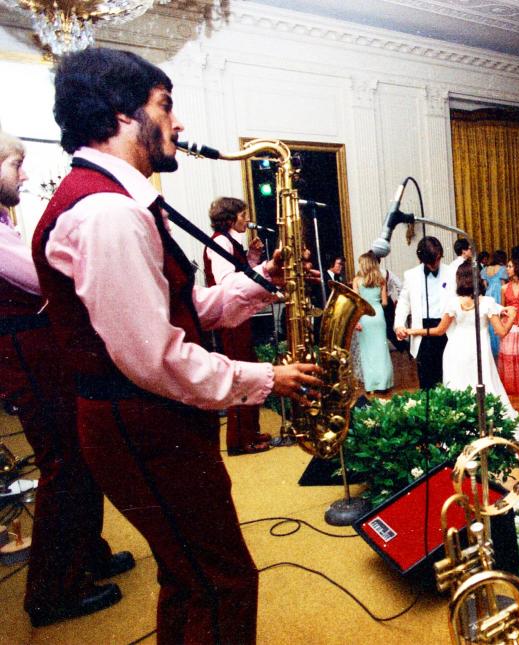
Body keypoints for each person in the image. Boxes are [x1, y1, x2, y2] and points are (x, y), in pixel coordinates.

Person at [32, 48, 322, 644]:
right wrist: (266, 378)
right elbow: (154, 356)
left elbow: (179, 314)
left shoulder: (114, 201)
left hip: (143, 420)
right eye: (166, 106)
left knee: (189, 577)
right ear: (121, 115)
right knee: (224, 582)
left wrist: (258, 287)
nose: (178, 123)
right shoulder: (108, 213)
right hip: (144, 424)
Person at [0, 130, 134, 627]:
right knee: (64, 466)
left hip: (42, 360)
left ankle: (86, 556)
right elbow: (44, 277)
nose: (25, 174)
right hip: (30, 363)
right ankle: (53, 593)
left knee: (80, 458)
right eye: (16, 164)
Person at [403, 263, 519, 459]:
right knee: (488, 391)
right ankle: (492, 438)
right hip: (478, 352)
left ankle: (459, 442)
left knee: (458, 392)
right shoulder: (487, 302)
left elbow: (439, 331)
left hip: (455, 352)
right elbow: (501, 332)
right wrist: (511, 316)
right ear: (478, 280)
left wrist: (412, 331)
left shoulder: (453, 302)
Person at [204, 196, 271, 455]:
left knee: (248, 366)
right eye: (244, 215)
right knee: (239, 374)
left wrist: (252, 258)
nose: (247, 220)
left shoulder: (231, 242)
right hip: (229, 319)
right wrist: (263, 268)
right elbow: (227, 282)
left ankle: (249, 432)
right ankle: (239, 440)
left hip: (237, 317)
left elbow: (242, 276)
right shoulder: (220, 241)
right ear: (231, 219)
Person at [394, 236, 454, 389]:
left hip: (446, 328)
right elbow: (404, 302)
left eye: (438, 259)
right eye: (431, 261)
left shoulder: (452, 272)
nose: (435, 264)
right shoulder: (411, 275)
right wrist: (399, 325)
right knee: (426, 378)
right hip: (422, 330)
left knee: (448, 376)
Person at [353, 251, 394, 393]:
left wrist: (356, 320)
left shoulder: (357, 281)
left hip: (364, 316)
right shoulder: (381, 279)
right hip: (378, 315)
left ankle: (371, 385)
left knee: (367, 352)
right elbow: (384, 302)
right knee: (382, 350)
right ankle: (384, 383)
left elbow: (356, 304)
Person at [497, 257, 519, 395]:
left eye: (510, 266)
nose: (507, 269)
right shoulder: (504, 287)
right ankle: (510, 387)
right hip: (509, 326)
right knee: (509, 357)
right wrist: (500, 326)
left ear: (518, 267)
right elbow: (502, 309)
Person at [483, 249, 508, 358]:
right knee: (499, 318)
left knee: (490, 321)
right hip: (499, 293)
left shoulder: (484, 270)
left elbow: (485, 285)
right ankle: (500, 347)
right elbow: (503, 284)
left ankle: (491, 348)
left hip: (488, 294)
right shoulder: (502, 269)